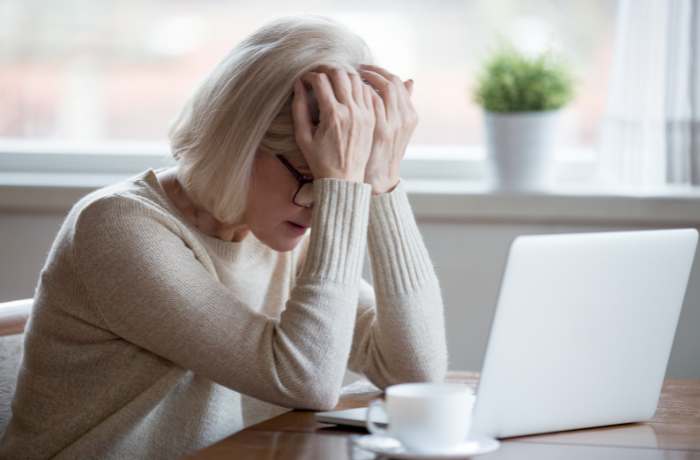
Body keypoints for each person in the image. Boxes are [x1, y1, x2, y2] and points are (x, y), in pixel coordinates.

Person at [0, 15, 448, 459]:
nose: (320, 207)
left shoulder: (273, 230)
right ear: (241, 142)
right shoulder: (117, 227)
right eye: (313, 178)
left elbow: (415, 375)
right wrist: (342, 191)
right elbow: (306, 380)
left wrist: (384, 183)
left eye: (337, 184)